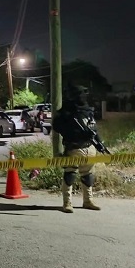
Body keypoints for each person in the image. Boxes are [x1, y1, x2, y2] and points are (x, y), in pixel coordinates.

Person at [52, 85, 102, 213]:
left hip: (90, 147)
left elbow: (94, 128)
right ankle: (67, 203)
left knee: (88, 176)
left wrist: (99, 142)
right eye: (80, 94)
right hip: (74, 148)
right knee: (70, 175)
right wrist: (75, 132)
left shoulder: (87, 110)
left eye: (84, 94)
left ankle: (88, 201)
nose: (83, 96)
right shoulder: (67, 112)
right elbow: (58, 127)